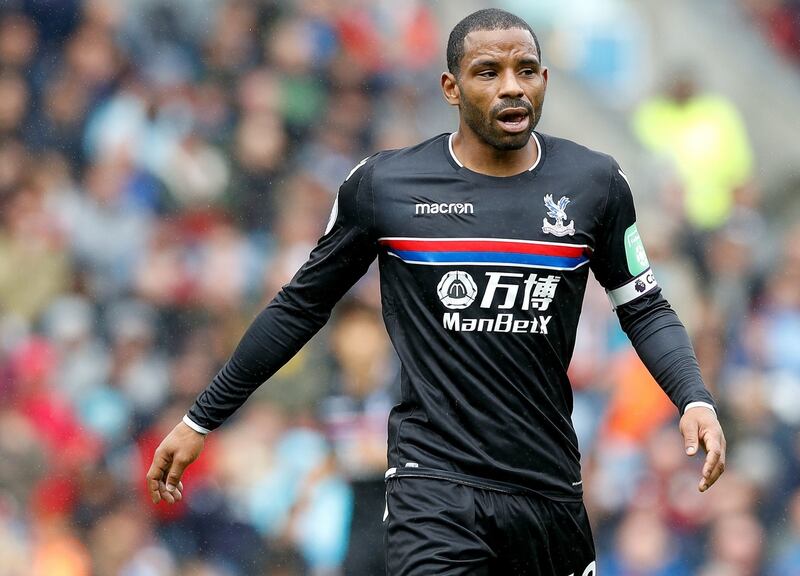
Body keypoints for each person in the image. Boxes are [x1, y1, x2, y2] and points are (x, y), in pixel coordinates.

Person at [145, 9, 726, 575]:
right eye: (488, 72)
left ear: (545, 80)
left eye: (526, 70)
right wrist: (202, 419)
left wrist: (692, 396)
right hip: (433, 484)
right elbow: (300, 306)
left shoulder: (595, 184)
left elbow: (644, 306)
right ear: (450, 86)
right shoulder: (386, 187)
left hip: (547, 487)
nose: (512, 87)